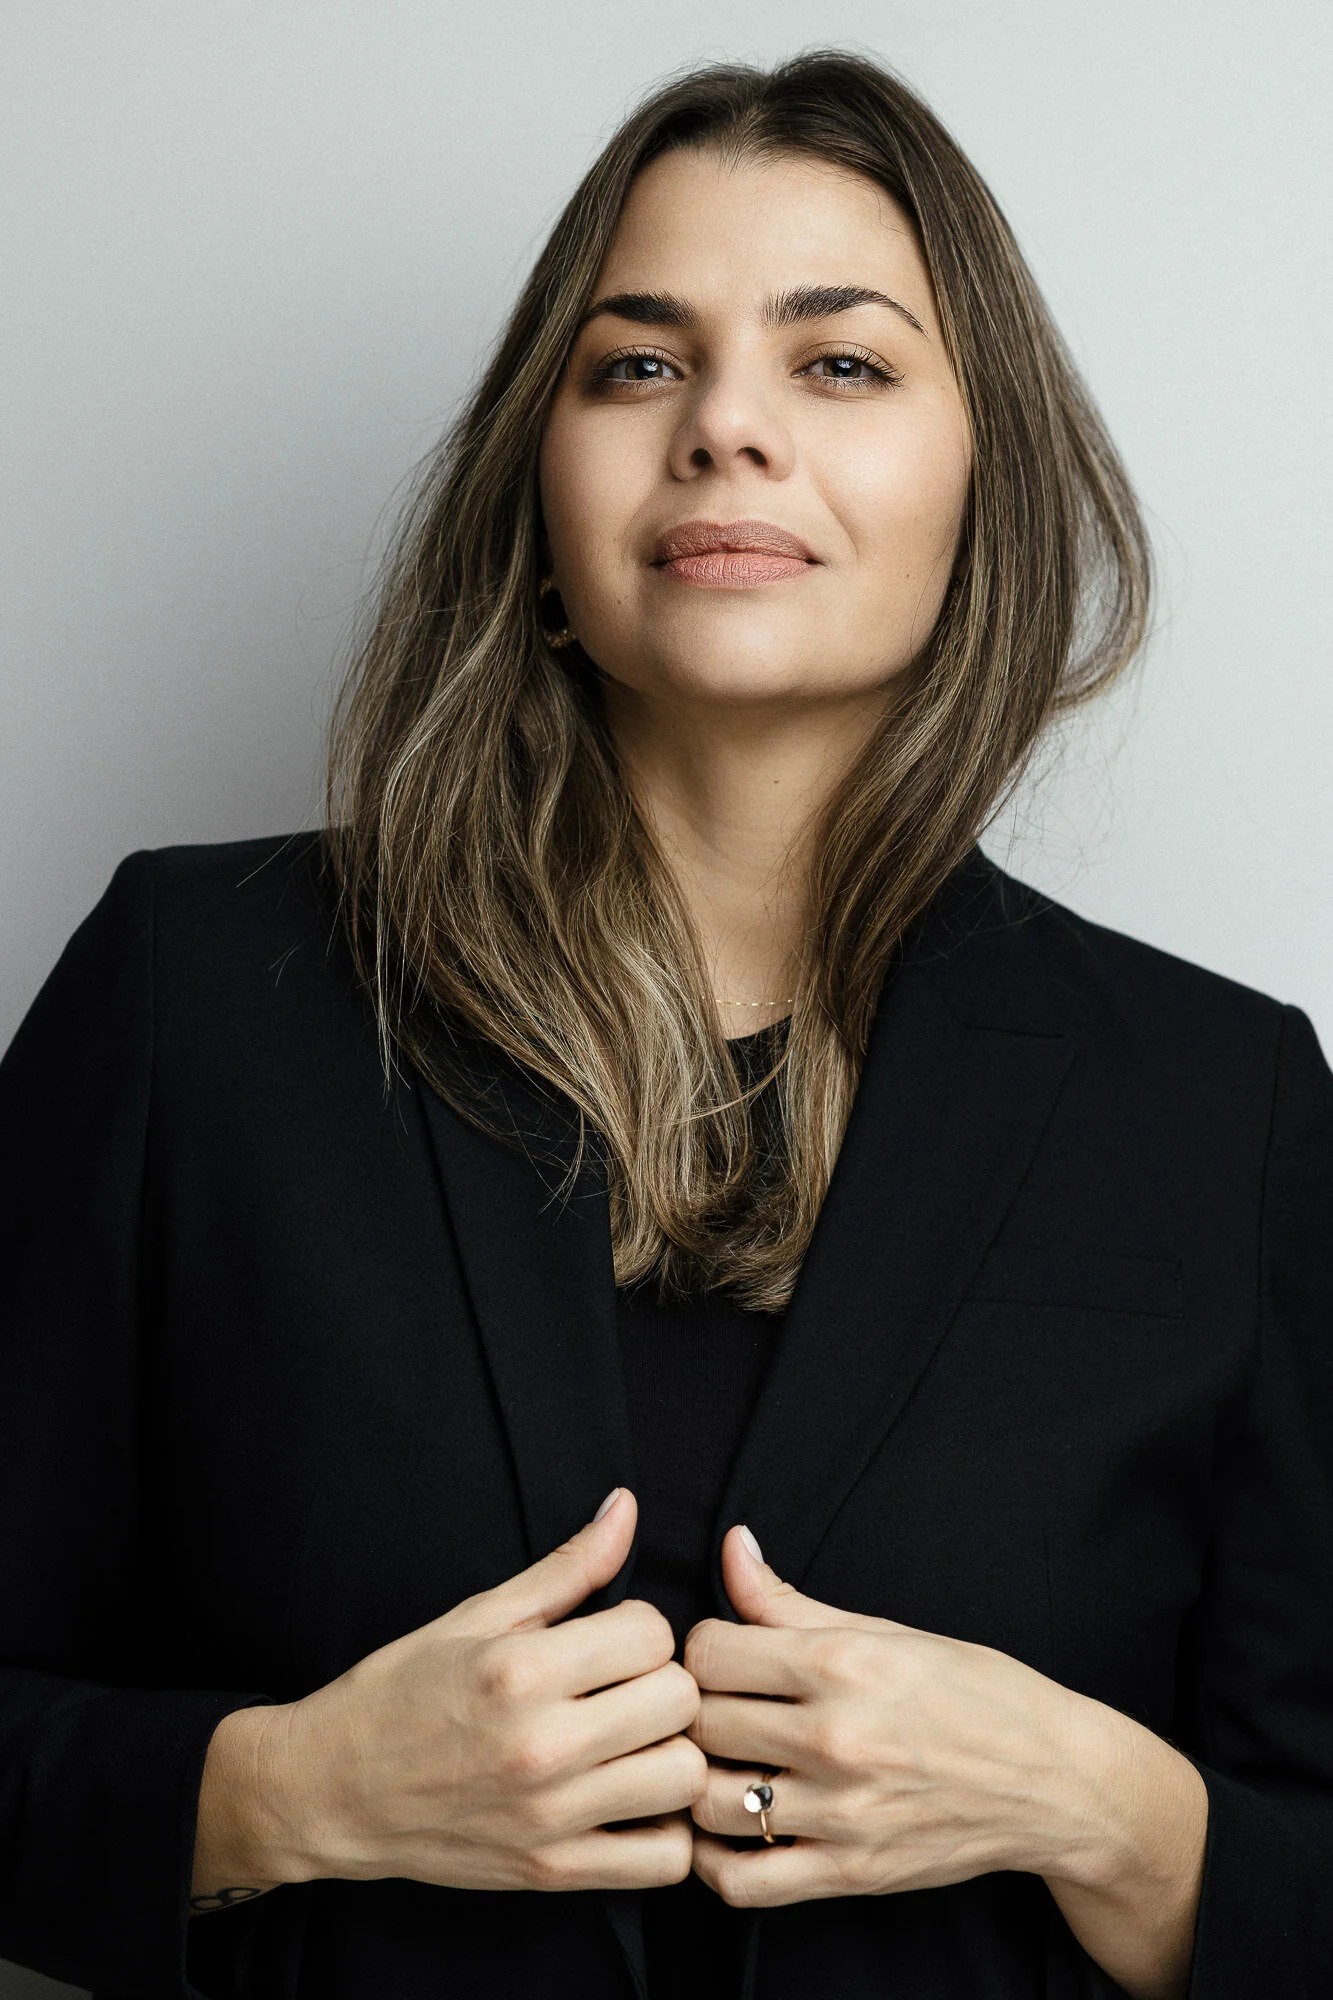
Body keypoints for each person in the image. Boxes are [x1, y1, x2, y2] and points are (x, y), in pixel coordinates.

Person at [0, 45, 1329, 2000]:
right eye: (637, 361)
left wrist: (1108, 1804)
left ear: (987, 482)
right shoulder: (201, 997)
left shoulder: (1225, 1111)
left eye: (841, 362)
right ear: (540, 483)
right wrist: (278, 1790)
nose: (725, 426)